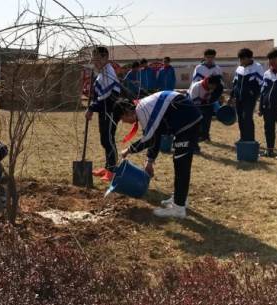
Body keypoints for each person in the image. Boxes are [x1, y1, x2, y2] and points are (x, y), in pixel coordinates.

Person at [119, 91, 203, 219]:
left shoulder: (142, 110)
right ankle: (180, 198)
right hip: (185, 121)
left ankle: (178, 208)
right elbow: (155, 136)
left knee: (181, 164)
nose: (123, 122)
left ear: (127, 112)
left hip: (187, 122)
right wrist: (149, 161)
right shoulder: (143, 108)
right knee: (179, 161)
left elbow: (149, 139)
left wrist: (129, 150)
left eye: (121, 118)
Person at [86, 45, 122, 183]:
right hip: (104, 110)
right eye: (93, 59)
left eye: (96, 59)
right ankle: (108, 167)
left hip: (110, 110)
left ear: (105, 57)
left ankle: (112, 170)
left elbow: (106, 98)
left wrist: (91, 108)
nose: (94, 62)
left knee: (108, 139)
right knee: (104, 140)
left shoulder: (108, 73)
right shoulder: (102, 72)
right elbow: (98, 96)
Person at [228, 48, 264, 143]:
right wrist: (231, 96)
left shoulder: (257, 67)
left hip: (250, 99)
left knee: (247, 117)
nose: (241, 61)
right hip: (239, 98)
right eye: (240, 59)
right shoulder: (239, 68)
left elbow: (261, 83)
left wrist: (253, 94)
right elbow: (235, 82)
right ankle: (243, 138)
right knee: (240, 118)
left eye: (243, 59)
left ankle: (250, 139)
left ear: (249, 58)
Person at [192, 49, 224, 141]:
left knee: (208, 116)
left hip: (211, 96)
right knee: (198, 115)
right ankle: (198, 134)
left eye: (212, 57)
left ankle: (206, 135)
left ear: (214, 57)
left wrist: (216, 95)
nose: (210, 59)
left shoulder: (217, 69)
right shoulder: (199, 68)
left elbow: (220, 84)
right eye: (208, 57)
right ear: (204, 57)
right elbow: (195, 82)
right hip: (200, 94)